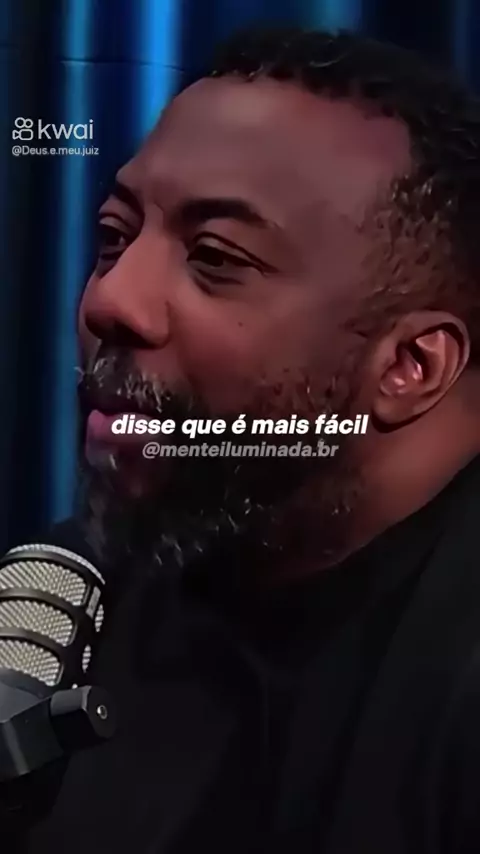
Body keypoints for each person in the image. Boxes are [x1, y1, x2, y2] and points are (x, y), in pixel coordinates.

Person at [25, 26, 480, 854]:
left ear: (410, 365)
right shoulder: (72, 607)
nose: (110, 300)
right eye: (115, 237)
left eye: (215, 257)